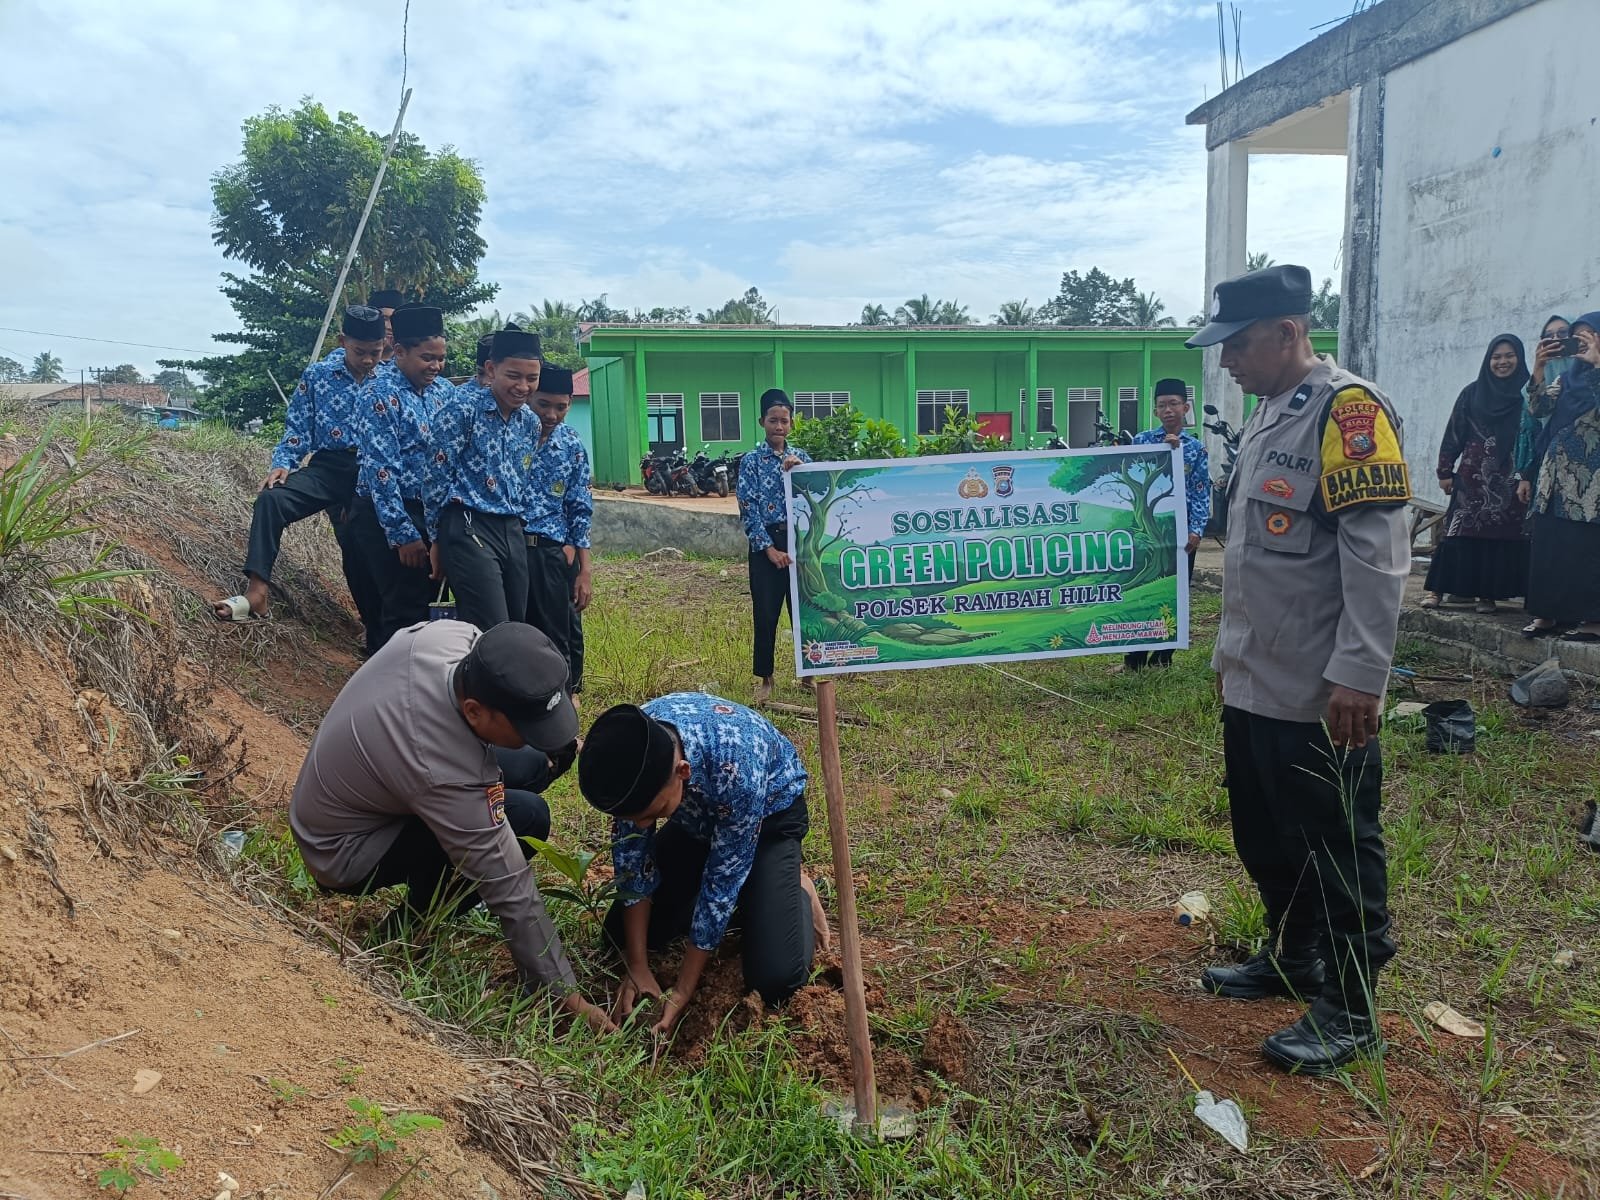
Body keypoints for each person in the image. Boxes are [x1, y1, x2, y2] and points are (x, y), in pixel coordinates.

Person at [1186, 264, 1411, 1075]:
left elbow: (1378, 559)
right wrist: (1228, 659)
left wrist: (1360, 675)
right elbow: (1253, 558)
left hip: (1321, 690)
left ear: (1287, 333)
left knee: (1338, 847)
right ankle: (1297, 958)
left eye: (1239, 345)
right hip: (1258, 678)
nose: (1228, 362)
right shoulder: (1268, 414)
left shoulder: (1349, 413)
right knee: (1265, 836)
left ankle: (1352, 1008)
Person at [288, 619, 614, 1033]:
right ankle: (405, 931)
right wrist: (565, 994)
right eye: (526, 727)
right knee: (526, 819)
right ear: (474, 711)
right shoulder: (439, 768)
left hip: (362, 787)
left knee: (531, 765)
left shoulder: (450, 638)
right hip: (341, 849)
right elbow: (508, 883)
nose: (536, 736)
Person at [576, 694, 828, 1035]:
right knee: (619, 935)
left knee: (776, 979)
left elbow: (720, 886)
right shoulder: (633, 748)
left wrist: (682, 990)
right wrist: (637, 965)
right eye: (633, 817)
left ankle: (795, 886)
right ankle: (760, 888)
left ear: (682, 771)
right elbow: (633, 861)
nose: (642, 825)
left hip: (769, 818)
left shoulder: (737, 764)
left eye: (652, 814)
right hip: (697, 822)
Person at [213, 306, 387, 624]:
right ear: (343, 341)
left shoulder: (389, 380)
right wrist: (283, 463)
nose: (367, 360)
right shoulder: (318, 375)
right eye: (359, 351)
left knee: (357, 547)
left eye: (375, 352)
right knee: (271, 500)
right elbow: (298, 427)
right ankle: (257, 591)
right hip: (330, 467)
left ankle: (377, 629)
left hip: (375, 472)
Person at [348, 305, 456, 647]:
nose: (436, 366)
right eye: (427, 358)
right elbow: (380, 470)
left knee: (431, 607)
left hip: (431, 513)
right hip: (386, 515)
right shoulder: (379, 393)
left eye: (441, 358)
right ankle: (389, 676)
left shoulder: (444, 392)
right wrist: (402, 534)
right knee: (402, 609)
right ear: (399, 352)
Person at [425, 328, 542, 631]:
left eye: (532, 378)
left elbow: (523, 480)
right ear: (491, 369)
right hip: (468, 526)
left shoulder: (530, 422)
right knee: (492, 626)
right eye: (514, 376)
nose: (523, 386)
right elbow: (436, 479)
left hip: (512, 529)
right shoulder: (461, 412)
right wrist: (436, 539)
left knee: (516, 625)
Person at [1420, 335, 1530, 613]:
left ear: (1519, 358)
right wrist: (1444, 471)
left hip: (1510, 480)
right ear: (1488, 360)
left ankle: (1486, 596)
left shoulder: (1527, 394)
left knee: (1497, 538)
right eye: (1496, 356)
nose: (1503, 362)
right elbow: (1454, 432)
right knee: (1457, 533)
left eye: (1509, 356)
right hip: (1472, 478)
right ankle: (1437, 590)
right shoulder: (1472, 393)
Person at [1524, 311, 1600, 643]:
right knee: (1551, 544)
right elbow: (1537, 409)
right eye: (1576, 336)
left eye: (1589, 335)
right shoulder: (1567, 378)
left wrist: (1597, 367)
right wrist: (1539, 368)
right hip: (1554, 478)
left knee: (1585, 548)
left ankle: (1593, 620)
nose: (1580, 341)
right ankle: (1548, 612)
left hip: (1589, 482)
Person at [1124, 378, 1210, 669]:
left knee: (1176, 592)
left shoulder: (1196, 449)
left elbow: (1201, 491)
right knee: (1143, 590)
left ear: (1186, 408)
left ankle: (1163, 657)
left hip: (1182, 532)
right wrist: (1161, 452)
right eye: (1162, 405)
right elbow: (1132, 476)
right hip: (1150, 529)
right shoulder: (1141, 441)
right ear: (1155, 411)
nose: (1168, 410)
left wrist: (1196, 530)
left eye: (1174, 404)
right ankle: (1134, 658)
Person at [519, 364, 593, 690]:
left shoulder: (572, 444)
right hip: (512, 547)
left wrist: (583, 569)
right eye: (543, 404)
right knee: (520, 630)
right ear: (529, 398)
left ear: (570, 405)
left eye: (561, 407)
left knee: (562, 630)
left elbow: (580, 506)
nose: (551, 415)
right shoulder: (511, 436)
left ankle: (567, 695)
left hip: (554, 553)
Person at [736, 390, 812, 705]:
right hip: (765, 545)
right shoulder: (751, 462)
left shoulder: (802, 458)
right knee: (766, 613)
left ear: (791, 424)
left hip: (799, 543)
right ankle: (766, 678)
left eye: (784, 421)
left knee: (804, 610)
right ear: (761, 422)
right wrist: (768, 549)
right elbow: (747, 507)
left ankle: (809, 672)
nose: (779, 426)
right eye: (772, 420)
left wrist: (801, 473)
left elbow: (817, 494)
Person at [1515, 316, 1572, 506]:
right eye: (1548, 336)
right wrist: (1525, 476)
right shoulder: (1535, 384)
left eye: (1563, 333)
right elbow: (1530, 431)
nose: (1555, 340)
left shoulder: (1589, 375)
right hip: (1549, 469)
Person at [369, 288, 406, 360]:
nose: (390, 327)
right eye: (384, 319)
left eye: (396, 320)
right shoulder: (349, 359)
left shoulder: (410, 363)